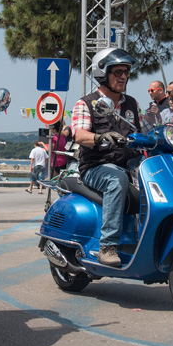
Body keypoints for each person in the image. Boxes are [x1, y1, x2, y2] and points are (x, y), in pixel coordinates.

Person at [71, 48, 142, 267]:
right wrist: (100, 137)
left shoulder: (132, 104)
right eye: (118, 72)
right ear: (102, 73)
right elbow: (79, 134)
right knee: (116, 180)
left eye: (126, 72)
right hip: (96, 167)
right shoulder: (86, 103)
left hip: (129, 167)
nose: (123, 77)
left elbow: (146, 131)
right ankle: (108, 246)